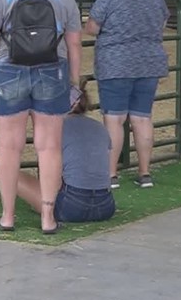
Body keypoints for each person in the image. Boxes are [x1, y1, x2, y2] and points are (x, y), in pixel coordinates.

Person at [0, 0, 82, 234]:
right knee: (49, 147)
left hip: (9, 69)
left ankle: (8, 216)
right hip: (53, 70)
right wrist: (74, 81)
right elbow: (75, 42)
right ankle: (48, 217)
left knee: (9, 147)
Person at [83, 0, 168, 188]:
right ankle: (145, 173)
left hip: (116, 64)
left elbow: (92, 28)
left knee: (114, 119)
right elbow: (161, 23)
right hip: (149, 62)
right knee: (142, 118)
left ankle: (111, 175)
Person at [16, 81, 115, 224]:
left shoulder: (54, 129)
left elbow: (51, 174)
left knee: (12, 175)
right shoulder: (100, 127)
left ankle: (44, 209)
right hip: (106, 206)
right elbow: (109, 170)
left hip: (71, 207)